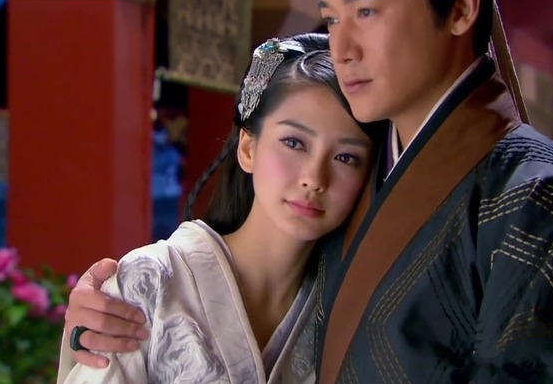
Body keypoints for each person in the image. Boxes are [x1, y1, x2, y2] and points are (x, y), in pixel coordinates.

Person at [64, 0, 553, 383]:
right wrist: (111, 307)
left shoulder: (536, 196)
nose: (342, 48)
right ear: (248, 145)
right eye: (332, 18)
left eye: (366, 12)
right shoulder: (371, 187)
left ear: (460, 8)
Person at [57, 34, 379, 384]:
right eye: (294, 142)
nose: (314, 178)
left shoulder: (352, 312)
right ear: (248, 148)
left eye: (346, 157)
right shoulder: (150, 280)